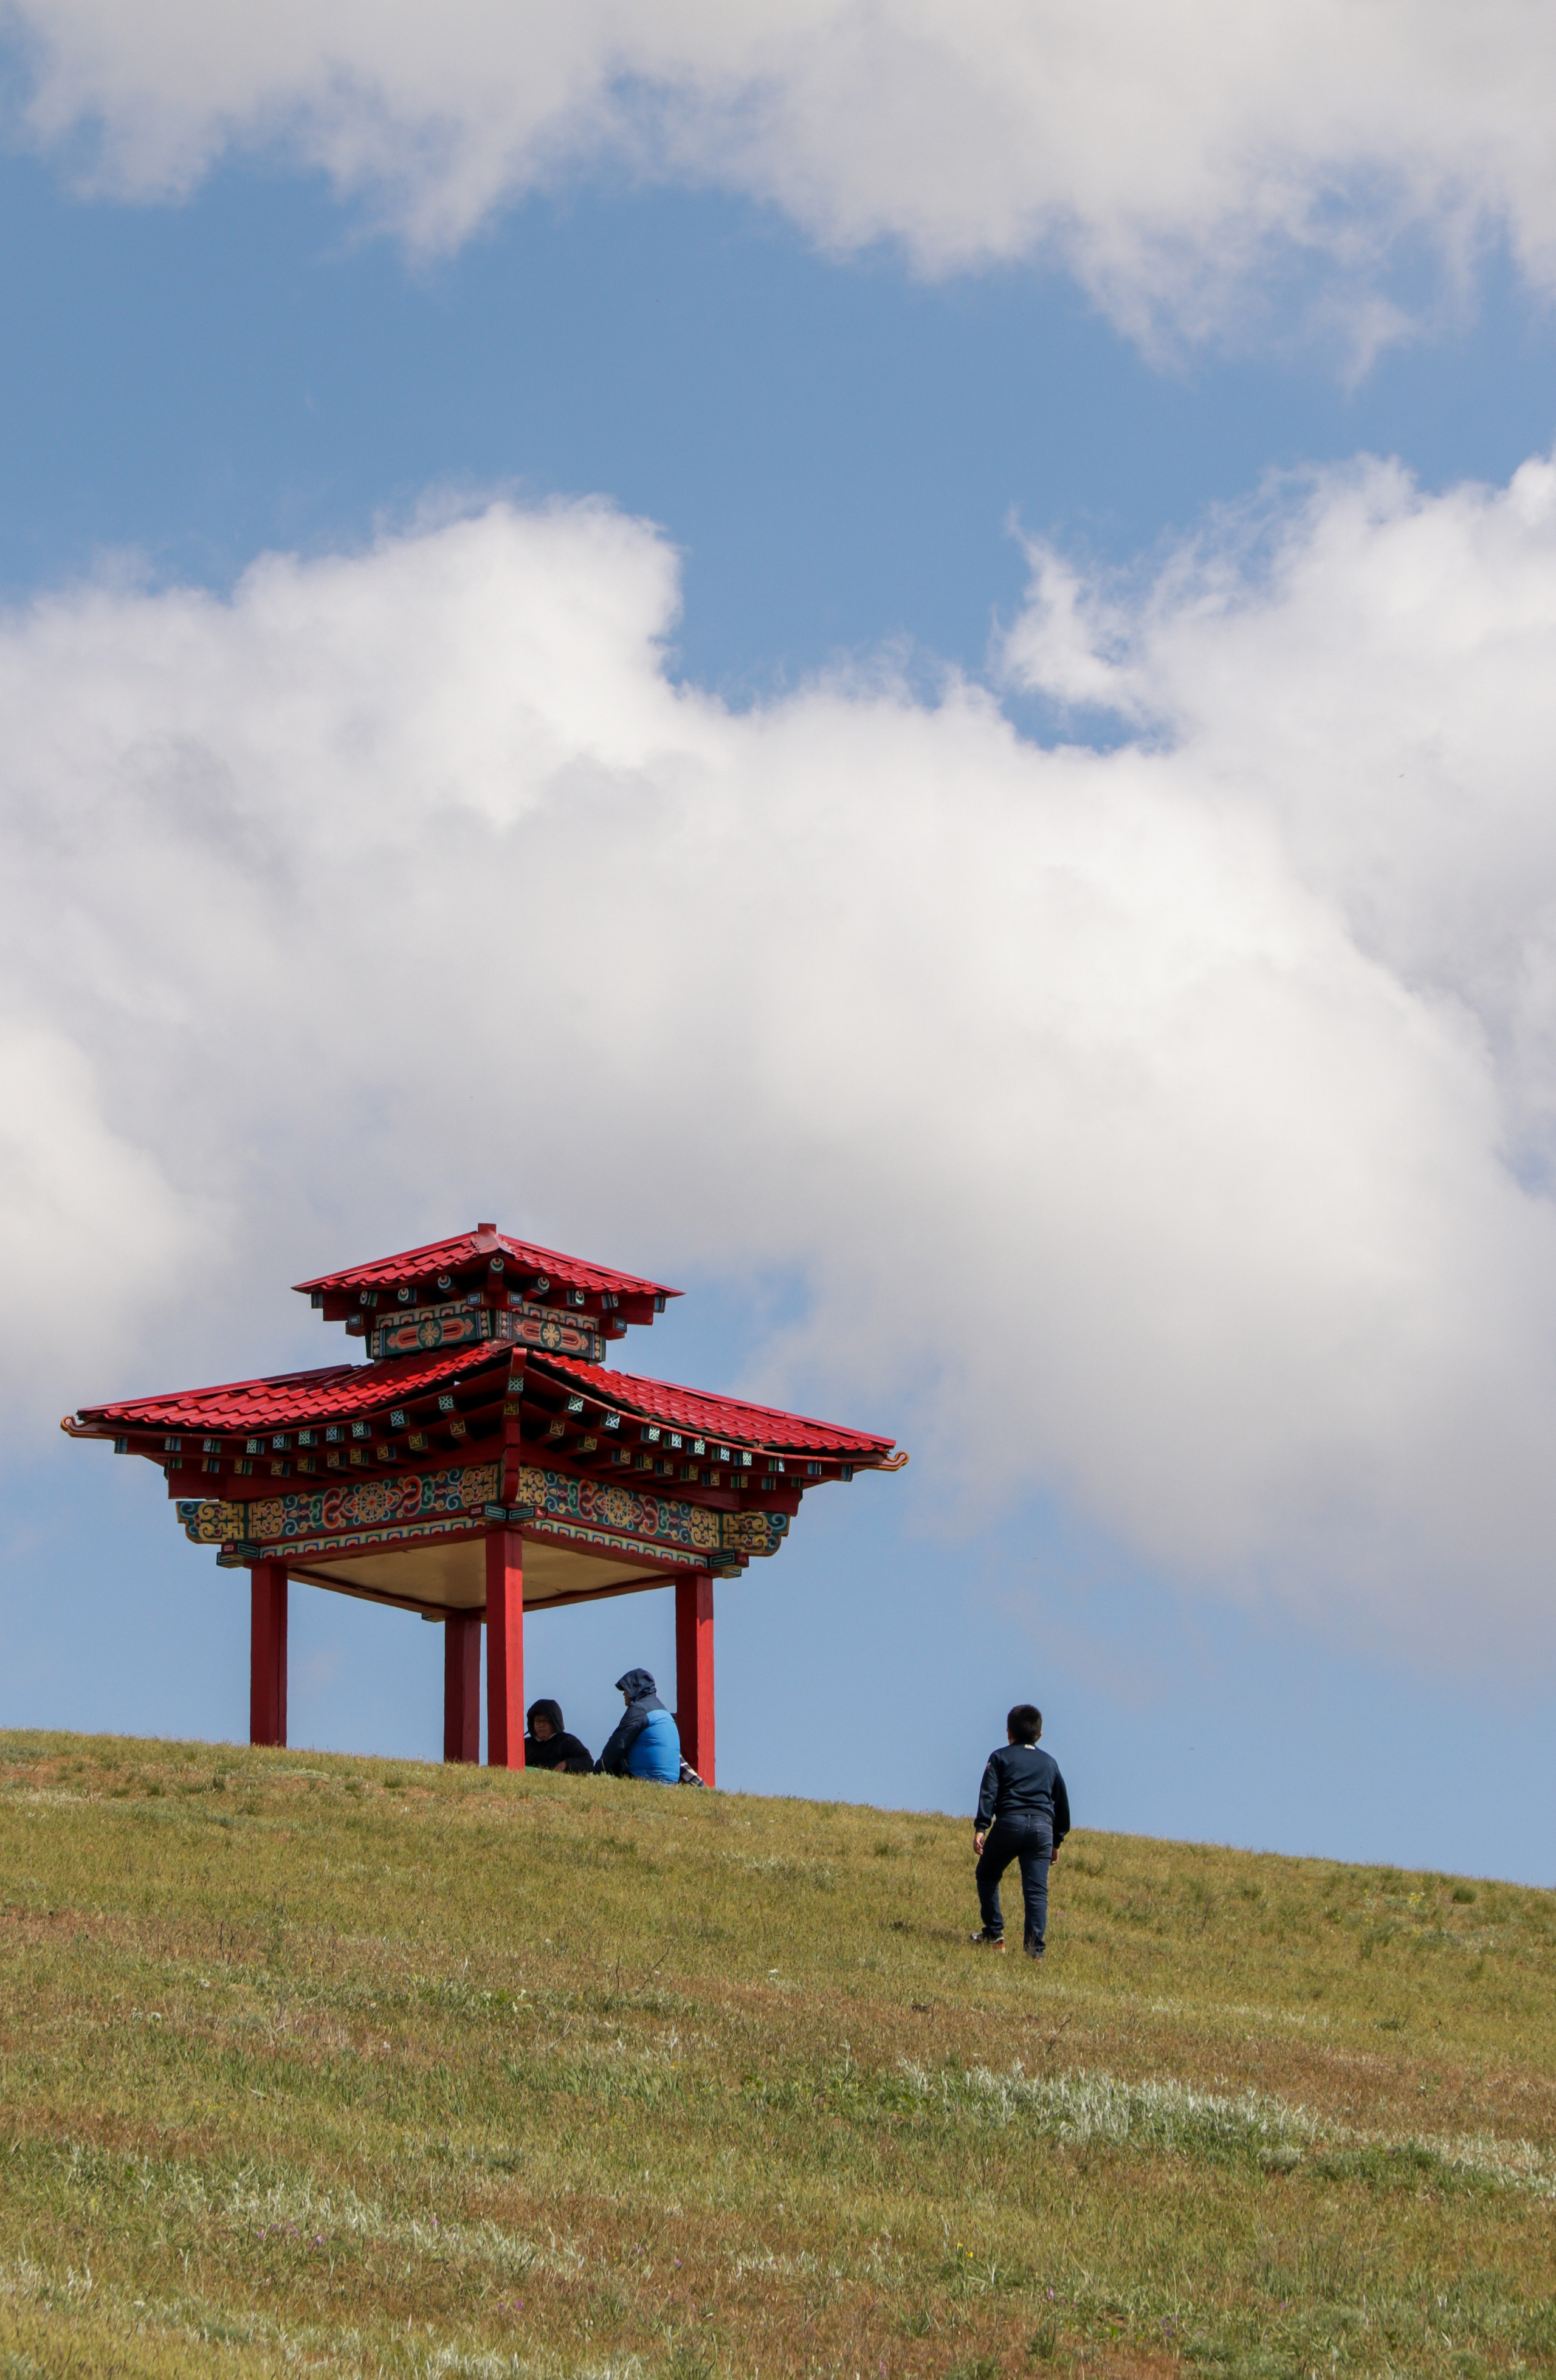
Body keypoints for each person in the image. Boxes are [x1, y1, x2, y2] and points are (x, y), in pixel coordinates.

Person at [971, 1704, 1070, 1959]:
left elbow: (988, 1793)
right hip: (1041, 1831)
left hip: (1009, 1824)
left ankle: (994, 1935)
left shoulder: (1000, 1757)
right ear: (1039, 1735)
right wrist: (1056, 1842)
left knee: (987, 1873)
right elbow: (1062, 1804)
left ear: (1008, 1732)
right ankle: (1034, 1953)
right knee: (1036, 1893)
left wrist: (982, 1827)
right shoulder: (1050, 1763)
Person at [594, 1668, 681, 1783]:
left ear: (634, 1690)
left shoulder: (640, 1709)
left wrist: (597, 1772)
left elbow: (618, 1743)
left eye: (626, 1689)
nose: (624, 1694)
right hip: (672, 1781)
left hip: (648, 1778)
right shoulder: (663, 1711)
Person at [523, 1699, 594, 1773]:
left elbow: (588, 1763)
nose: (541, 1725)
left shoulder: (567, 1742)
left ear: (555, 1723)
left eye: (546, 1721)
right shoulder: (525, 1745)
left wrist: (566, 1764)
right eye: (538, 1721)